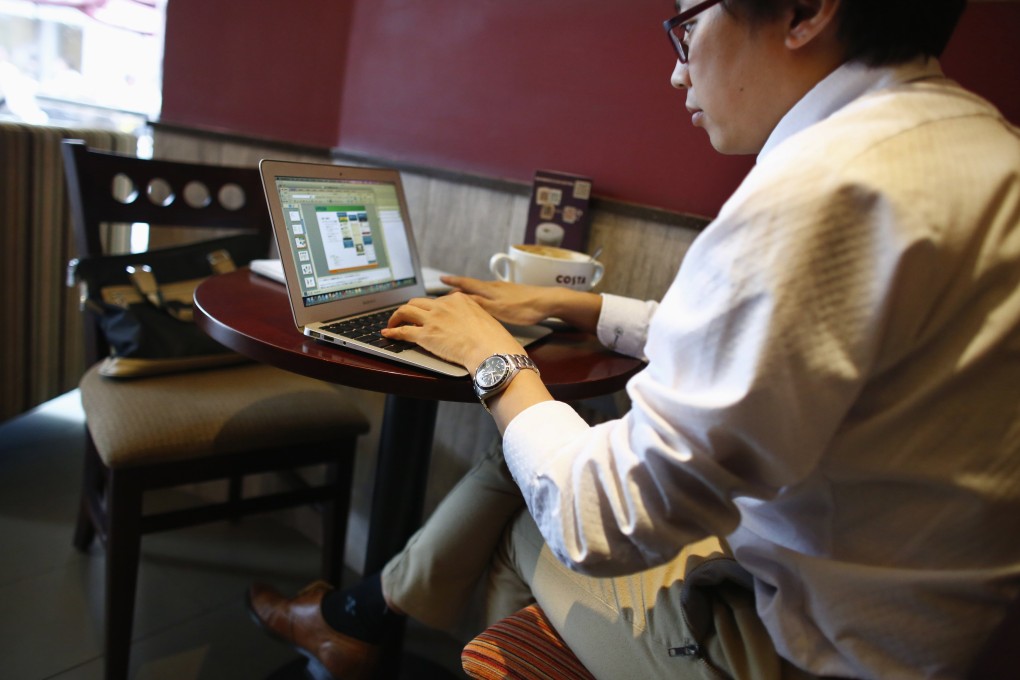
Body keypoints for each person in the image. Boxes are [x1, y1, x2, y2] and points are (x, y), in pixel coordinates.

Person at [247, 0, 1020, 678]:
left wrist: (492, 357)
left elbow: (597, 522)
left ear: (806, 10)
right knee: (529, 451)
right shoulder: (979, 149)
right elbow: (787, 345)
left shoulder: (822, 187)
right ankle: (356, 621)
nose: (680, 74)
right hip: (931, 630)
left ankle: (367, 624)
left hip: (800, 652)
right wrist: (572, 306)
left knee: (531, 510)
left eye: (689, 24)